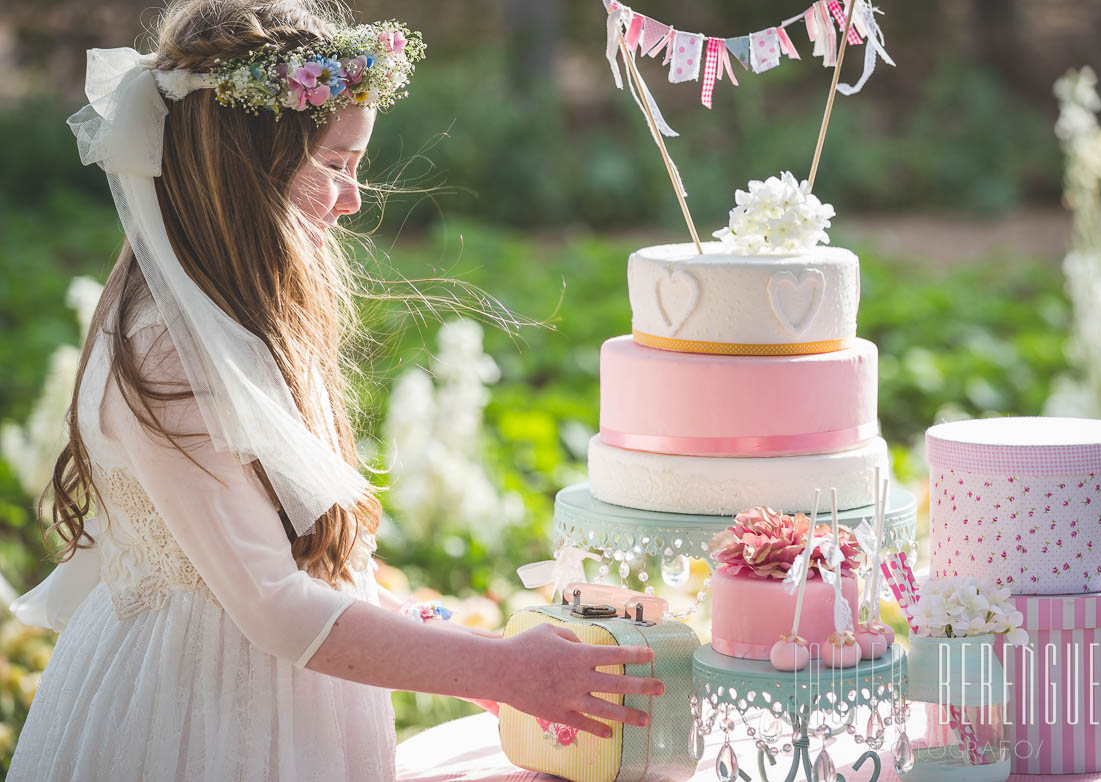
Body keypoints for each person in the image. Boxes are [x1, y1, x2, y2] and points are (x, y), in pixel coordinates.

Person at [5, 1, 663, 778]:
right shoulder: (166, 346)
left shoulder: (233, 308)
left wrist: (441, 643)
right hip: (203, 712)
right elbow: (272, 604)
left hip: (294, 684)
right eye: (335, 166)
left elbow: (276, 549)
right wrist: (503, 670)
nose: (353, 199)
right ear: (245, 169)